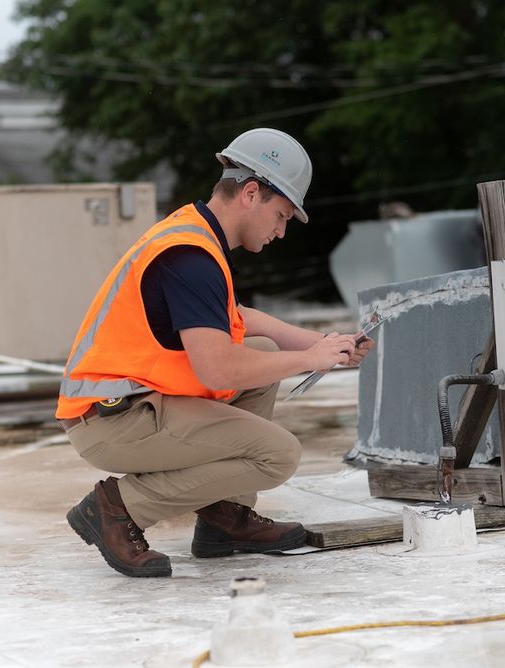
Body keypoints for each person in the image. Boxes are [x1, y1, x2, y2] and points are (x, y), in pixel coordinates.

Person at [55, 128, 374, 578]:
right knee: (278, 455)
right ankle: (118, 508)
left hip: (128, 406)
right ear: (250, 194)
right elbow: (217, 366)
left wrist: (322, 344)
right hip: (113, 419)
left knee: (260, 351)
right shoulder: (191, 258)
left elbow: (241, 319)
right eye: (281, 215)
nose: (282, 231)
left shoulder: (194, 235)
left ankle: (225, 518)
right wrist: (311, 359)